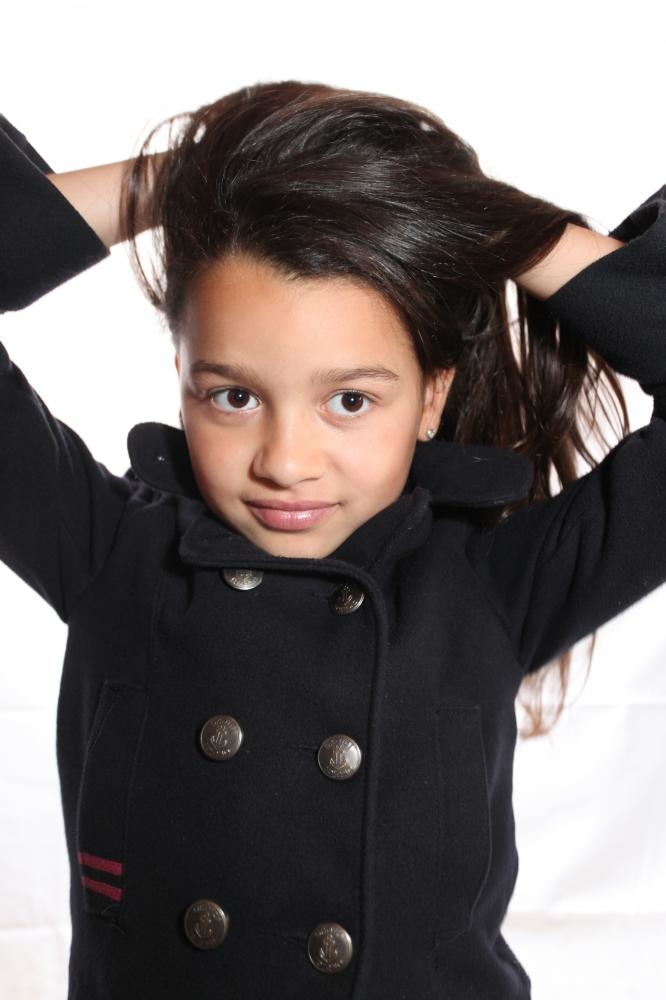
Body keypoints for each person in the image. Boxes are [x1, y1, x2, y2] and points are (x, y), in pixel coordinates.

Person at [1, 80, 664, 999]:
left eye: (350, 400)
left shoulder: (495, 584)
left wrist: (498, 225)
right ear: (181, 376)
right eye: (233, 396)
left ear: (431, 396)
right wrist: (179, 183)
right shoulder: (110, 550)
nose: (285, 462)